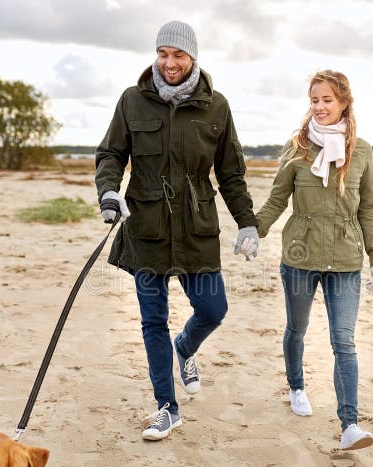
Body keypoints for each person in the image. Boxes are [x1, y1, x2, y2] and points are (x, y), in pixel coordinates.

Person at [94, 21, 259, 441]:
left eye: (178, 56)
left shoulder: (216, 107)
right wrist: (110, 192)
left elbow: (231, 173)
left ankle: (184, 348)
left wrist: (247, 222)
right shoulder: (132, 100)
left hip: (196, 229)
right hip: (145, 229)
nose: (169, 63)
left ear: (193, 59)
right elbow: (111, 152)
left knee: (213, 310)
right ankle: (167, 407)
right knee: (153, 321)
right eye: (163, 53)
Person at [252, 70, 373, 450]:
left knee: (344, 341)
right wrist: (254, 230)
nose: (320, 107)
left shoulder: (361, 150)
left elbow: (369, 208)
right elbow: (278, 198)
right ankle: (296, 386)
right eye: (314, 100)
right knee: (297, 328)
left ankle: (349, 425)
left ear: (344, 102)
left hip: (345, 259)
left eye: (327, 100)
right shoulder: (296, 147)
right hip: (299, 255)